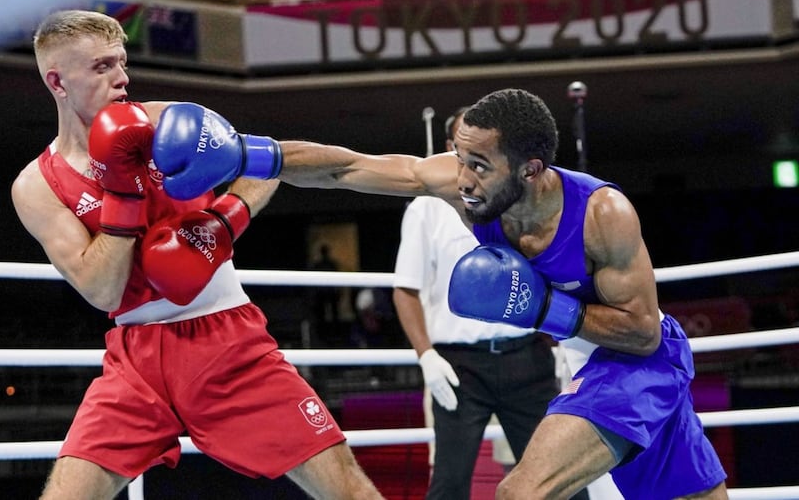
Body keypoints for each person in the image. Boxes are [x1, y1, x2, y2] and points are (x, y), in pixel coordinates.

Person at [151, 87, 729, 499]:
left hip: (638, 364)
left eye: (479, 164)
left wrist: (542, 308)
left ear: (529, 170)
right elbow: (349, 169)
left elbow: (643, 331)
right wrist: (250, 154)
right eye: (460, 157)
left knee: (523, 492)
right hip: (589, 362)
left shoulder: (603, 213)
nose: (463, 178)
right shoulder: (461, 185)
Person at [11, 9, 383, 500]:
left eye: (121, 62)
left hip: (230, 341)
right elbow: (101, 288)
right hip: (136, 359)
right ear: (57, 81)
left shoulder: (167, 121)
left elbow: (261, 167)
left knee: (348, 491)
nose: (121, 78)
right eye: (102, 67)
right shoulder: (38, 185)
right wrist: (124, 191)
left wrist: (224, 222)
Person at [392, 107, 565, 499]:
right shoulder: (426, 207)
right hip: (460, 367)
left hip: (527, 357)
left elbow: (554, 271)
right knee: (450, 482)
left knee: (557, 477)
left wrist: (563, 341)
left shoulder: (521, 198)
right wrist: (426, 356)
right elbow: (406, 289)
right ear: (450, 148)